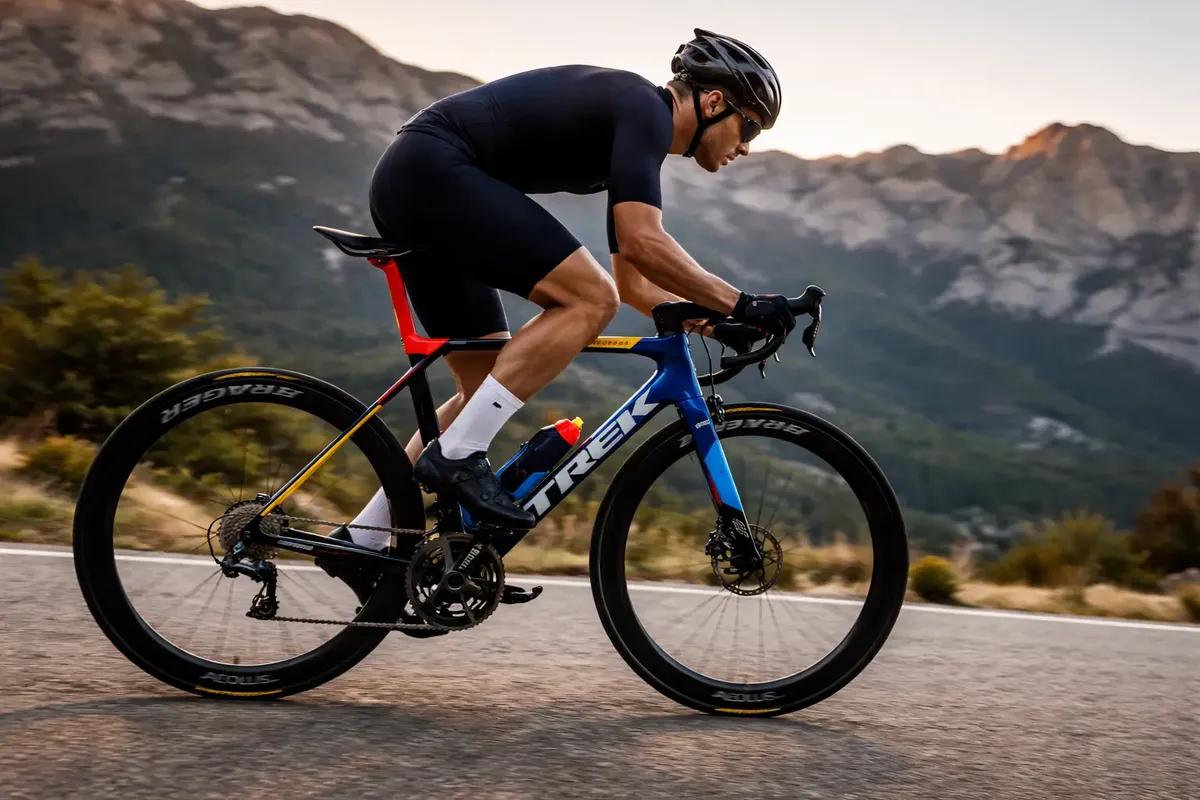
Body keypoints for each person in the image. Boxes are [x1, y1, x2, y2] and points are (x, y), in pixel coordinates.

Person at [339, 28, 796, 551]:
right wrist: (742, 300)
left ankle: (366, 540)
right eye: (751, 129)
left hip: (422, 183)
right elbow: (643, 243)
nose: (746, 148)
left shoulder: (635, 135)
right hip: (432, 172)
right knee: (586, 297)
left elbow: (634, 284)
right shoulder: (644, 109)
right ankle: (460, 457)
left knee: (484, 384)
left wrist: (716, 321)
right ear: (715, 102)